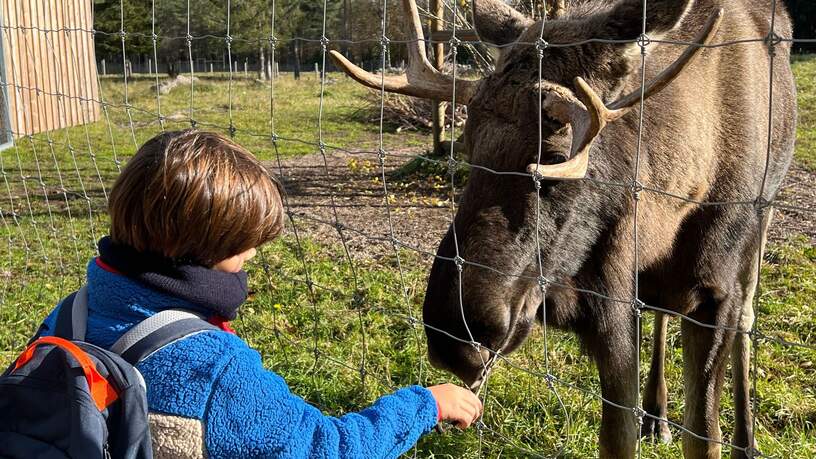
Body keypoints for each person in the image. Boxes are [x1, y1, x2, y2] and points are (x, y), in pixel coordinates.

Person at [34, 130, 482, 458]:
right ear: (198, 247)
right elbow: (326, 448)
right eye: (242, 241)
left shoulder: (71, 313)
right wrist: (425, 405)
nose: (252, 250)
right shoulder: (215, 369)